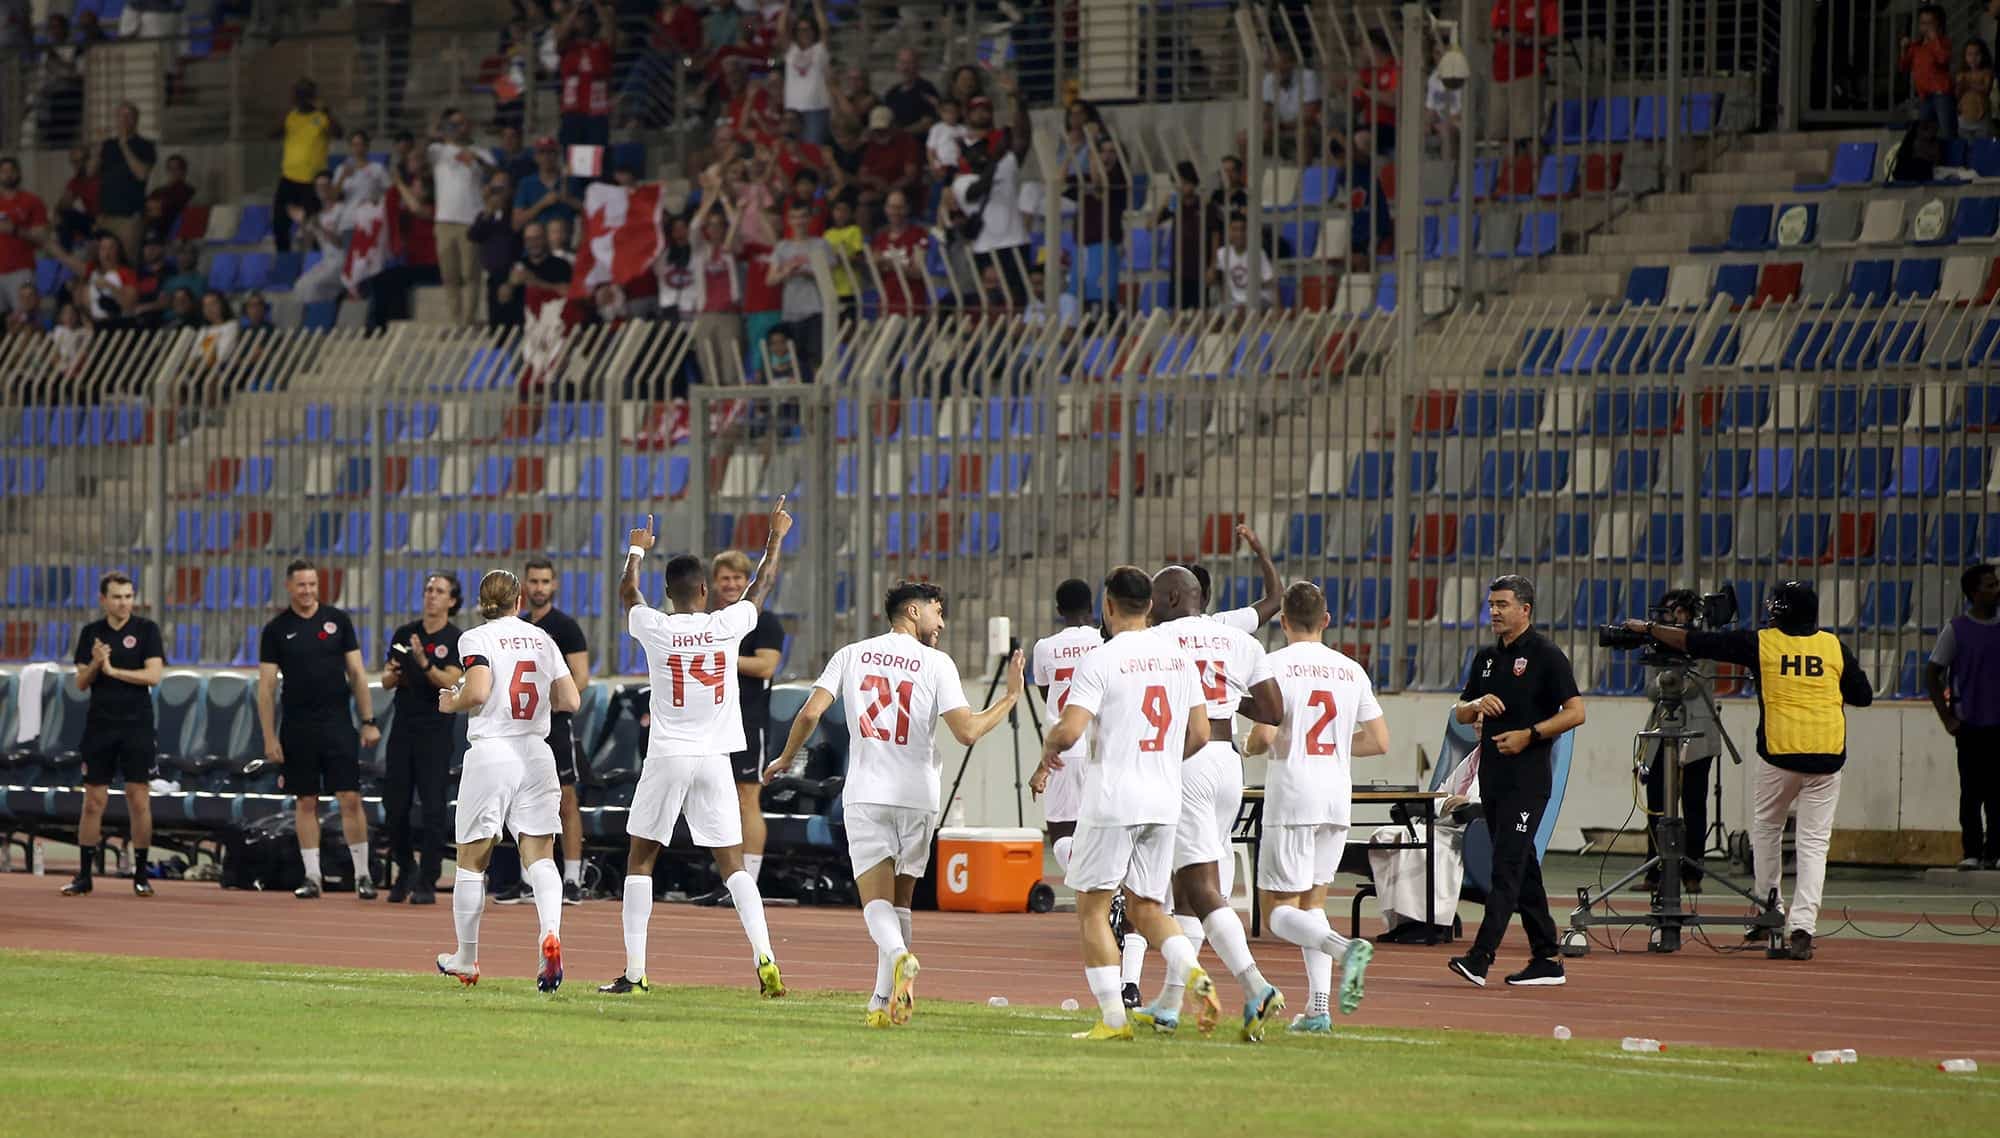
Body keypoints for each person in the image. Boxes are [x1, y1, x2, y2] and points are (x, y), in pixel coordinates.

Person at [764, 579, 1024, 1028]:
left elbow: (809, 713)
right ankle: (882, 1002)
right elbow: (967, 732)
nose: (941, 622)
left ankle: (900, 958)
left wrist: (786, 758)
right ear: (912, 611)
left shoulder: (851, 654)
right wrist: (1011, 697)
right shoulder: (937, 664)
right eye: (937, 611)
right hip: (919, 795)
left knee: (874, 902)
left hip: (868, 793)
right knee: (901, 900)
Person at [1621, 581, 1872, 961]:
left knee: (1767, 831)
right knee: (1814, 844)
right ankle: (1803, 927)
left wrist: (1649, 629)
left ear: (1776, 612)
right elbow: (1862, 695)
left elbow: (1698, 642)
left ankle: (1768, 910)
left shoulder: (1762, 643)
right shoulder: (1835, 646)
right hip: (1827, 755)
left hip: (1779, 754)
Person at [603, 509, 792, 998]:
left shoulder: (654, 626)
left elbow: (628, 593)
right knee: (732, 865)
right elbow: (761, 586)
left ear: (670, 594)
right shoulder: (728, 625)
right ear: (705, 591)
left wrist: (637, 549)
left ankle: (636, 971)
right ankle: (765, 955)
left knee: (640, 861)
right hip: (714, 759)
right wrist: (774, 537)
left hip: (668, 754)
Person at [1037, 565, 1211, 1043]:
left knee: (1093, 909)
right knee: (1149, 907)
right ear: (1150, 605)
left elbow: (1070, 730)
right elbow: (1199, 733)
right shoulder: (1178, 657)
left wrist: (1050, 741)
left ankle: (1114, 1020)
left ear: (1108, 606)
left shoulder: (1103, 658)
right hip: (1163, 798)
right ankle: (1192, 972)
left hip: (1113, 799)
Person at [1129, 566, 1285, 1041]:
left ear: (1174, 596)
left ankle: (1254, 985)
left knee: (1198, 885)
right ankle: (1171, 1003)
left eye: (1156, 597)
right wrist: (1228, 698)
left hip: (1186, 758)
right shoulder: (1237, 640)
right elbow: (1274, 711)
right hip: (1227, 762)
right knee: (1187, 884)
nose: (1151, 606)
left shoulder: (1159, 639)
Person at [1243, 581, 1389, 1034]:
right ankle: (1319, 1008)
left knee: (1277, 912)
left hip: (1294, 795)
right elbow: (1380, 741)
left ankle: (1345, 950)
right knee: (1314, 902)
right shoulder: (1351, 670)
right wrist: (1332, 749)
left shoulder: (1271, 665)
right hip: (1335, 797)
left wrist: (1246, 746)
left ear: (1282, 621)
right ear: (1325, 620)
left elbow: (1265, 735)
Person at [433, 570, 581, 992]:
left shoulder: (475, 639)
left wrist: (451, 702)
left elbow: (477, 692)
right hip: (536, 752)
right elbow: (570, 699)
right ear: (518, 600)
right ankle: (548, 935)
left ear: (482, 602)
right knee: (539, 856)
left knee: (471, 859)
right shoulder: (543, 638)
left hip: (493, 752)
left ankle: (465, 956)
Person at [1448, 574, 1586, 988]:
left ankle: (1480, 956)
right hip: (1492, 775)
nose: (1494, 611)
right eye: (1491, 604)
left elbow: (1576, 712)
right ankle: (1547, 956)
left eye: (1503, 604)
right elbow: (1460, 712)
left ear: (1525, 609)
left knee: (1506, 866)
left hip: (1528, 779)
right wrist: (1474, 705)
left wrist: (1532, 734)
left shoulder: (1546, 656)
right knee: (1523, 867)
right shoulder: (1486, 657)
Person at [255, 559, 382, 901]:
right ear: (289, 587)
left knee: (350, 798)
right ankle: (312, 876)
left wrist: (368, 721)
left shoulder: (338, 621)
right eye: (302, 585)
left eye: (313, 584)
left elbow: (357, 673)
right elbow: (266, 688)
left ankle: (363, 875)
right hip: (297, 727)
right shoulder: (276, 629)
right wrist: (269, 736)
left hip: (338, 723)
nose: (308, 591)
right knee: (305, 801)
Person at [1027, 580, 1121, 995]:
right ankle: (1114, 896)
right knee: (1099, 827)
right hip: (1100, 745)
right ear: (1096, 606)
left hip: (1063, 744)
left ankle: (1094, 893)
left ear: (1057, 607)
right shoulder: (1106, 644)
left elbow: (1050, 695)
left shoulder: (1045, 648)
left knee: (1062, 832)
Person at [689, 550, 786, 908]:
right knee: (718, 801)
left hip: (748, 721)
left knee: (747, 799)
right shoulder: (713, 621)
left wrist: (722, 655)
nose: (731, 585)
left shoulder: (765, 620)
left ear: (748, 582)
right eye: (724, 578)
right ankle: (728, 879)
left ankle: (750, 883)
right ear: (714, 584)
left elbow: (766, 666)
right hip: (713, 721)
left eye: (737, 578)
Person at [59, 572, 165, 898]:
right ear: (103, 599)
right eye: (118, 597)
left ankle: (141, 873)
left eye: (129, 596)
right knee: (93, 801)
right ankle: (85, 875)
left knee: (138, 799)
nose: (124, 602)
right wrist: (95, 663)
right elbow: (80, 682)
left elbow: (154, 675)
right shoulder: (92, 633)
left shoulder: (146, 630)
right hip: (100, 726)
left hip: (137, 725)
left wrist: (114, 670)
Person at [380, 573, 464, 905]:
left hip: (436, 730)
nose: (431, 596)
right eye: (428, 589)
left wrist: (424, 663)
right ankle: (405, 867)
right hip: (403, 727)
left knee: (432, 806)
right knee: (395, 805)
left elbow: (450, 681)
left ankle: (428, 878)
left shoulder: (456, 639)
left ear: (452, 601)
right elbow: (388, 679)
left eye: (439, 591)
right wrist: (394, 673)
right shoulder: (405, 633)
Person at [1638, 590, 1722, 895]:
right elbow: (1651, 689)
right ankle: (1654, 868)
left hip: (1698, 734)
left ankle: (1693, 871)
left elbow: (1691, 685)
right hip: (1662, 731)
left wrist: (1668, 674)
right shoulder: (1655, 645)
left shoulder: (1705, 644)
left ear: (1687, 614)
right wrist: (1669, 674)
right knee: (1657, 802)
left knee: (1694, 802)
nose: (1669, 618)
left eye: (1675, 612)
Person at [520, 559, 593, 905]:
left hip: (556, 724)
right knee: (523, 801)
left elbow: (580, 678)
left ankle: (573, 877)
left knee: (566, 799)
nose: (538, 587)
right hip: (522, 726)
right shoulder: (516, 627)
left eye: (544, 581)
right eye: (533, 581)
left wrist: (550, 701)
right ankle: (528, 877)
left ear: (555, 585)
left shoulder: (565, 627)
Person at [1927, 563, 2000, 871]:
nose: (1996, 589)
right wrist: (1948, 718)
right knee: (1972, 791)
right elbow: (1932, 673)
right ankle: (1971, 851)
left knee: (1999, 793)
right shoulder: (1955, 629)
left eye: (1996, 584)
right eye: (1990, 585)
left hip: (1999, 722)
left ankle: (1994, 852)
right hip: (1969, 722)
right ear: (1974, 593)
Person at [429, 108, 494, 326]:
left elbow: (495, 172)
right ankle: (456, 321)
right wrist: (436, 132)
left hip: (471, 219)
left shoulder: (481, 151)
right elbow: (420, 156)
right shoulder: (438, 150)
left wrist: (475, 159)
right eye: (453, 124)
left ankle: (469, 320)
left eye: (462, 124)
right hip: (444, 221)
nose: (458, 128)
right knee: (449, 275)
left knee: (471, 274)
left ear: (469, 126)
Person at [274, 80, 339, 253]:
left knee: (313, 225)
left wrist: (328, 112)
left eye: (305, 94)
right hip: (288, 178)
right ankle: (285, 259)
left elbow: (338, 133)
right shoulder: (291, 116)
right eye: (298, 94)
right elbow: (272, 132)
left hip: (311, 182)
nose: (301, 98)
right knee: (279, 224)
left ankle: (317, 257)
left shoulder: (321, 117)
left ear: (312, 96)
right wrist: (286, 111)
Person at [1488, 0, 1559, 143]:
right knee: (1500, 135)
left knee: (1526, 136)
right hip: (1500, 76)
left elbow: (1554, 37)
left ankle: (1531, 165)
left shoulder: (1546, 4)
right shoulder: (1502, 3)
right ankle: (1508, 165)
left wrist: (1525, 40)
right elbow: (1491, 33)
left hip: (1528, 74)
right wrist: (1500, 36)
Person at [96, 102, 157, 266]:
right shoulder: (108, 146)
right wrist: (98, 148)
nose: (124, 120)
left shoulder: (145, 146)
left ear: (135, 120)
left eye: (128, 116)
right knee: (101, 261)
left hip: (130, 216)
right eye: (120, 116)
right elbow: (91, 172)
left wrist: (124, 145)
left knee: (128, 261)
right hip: (107, 214)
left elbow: (142, 174)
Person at [0, 157, 50, 318]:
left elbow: (41, 235)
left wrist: (15, 230)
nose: (7, 175)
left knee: (24, 317)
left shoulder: (32, 201)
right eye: (3, 171)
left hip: (21, 270)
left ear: (18, 173)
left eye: (11, 171)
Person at [778, 1, 832, 144]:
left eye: (808, 29)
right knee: (791, 150)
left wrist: (817, 5)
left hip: (816, 108)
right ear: (796, 32)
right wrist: (787, 3)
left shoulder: (820, 50)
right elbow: (781, 30)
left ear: (814, 31)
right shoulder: (791, 50)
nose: (805, 33)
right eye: (801, 30)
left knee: (813, 148)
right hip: (792, 110)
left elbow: (825, 29)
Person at [1901, 4, 1957, 141]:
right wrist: (1903, 48)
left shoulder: (1943, 42)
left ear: (1939, 25)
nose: (1926, 27)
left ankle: (1952, 161)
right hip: (1925, 96)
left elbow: (1943, 59)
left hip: (1941, 94)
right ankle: (1929, 161)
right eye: (1922, 23)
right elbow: (1904, 67)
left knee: (1947, 131)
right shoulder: (1916, 46)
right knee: (1924, 133)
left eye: (1930, 23)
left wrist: (1935, 40)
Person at [1960, 39, 1995, 139]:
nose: (1973, 58)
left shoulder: (1987, 72)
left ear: (1983, 55)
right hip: (1964, 117)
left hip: (1982, 117)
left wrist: (1969, 84)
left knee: (1982, 147)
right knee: (1966, 147)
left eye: (1977, 54)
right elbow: (1958, 94)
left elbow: (1986, 89)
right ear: (1965, 56)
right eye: (1969, 54)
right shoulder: (1962, 74)